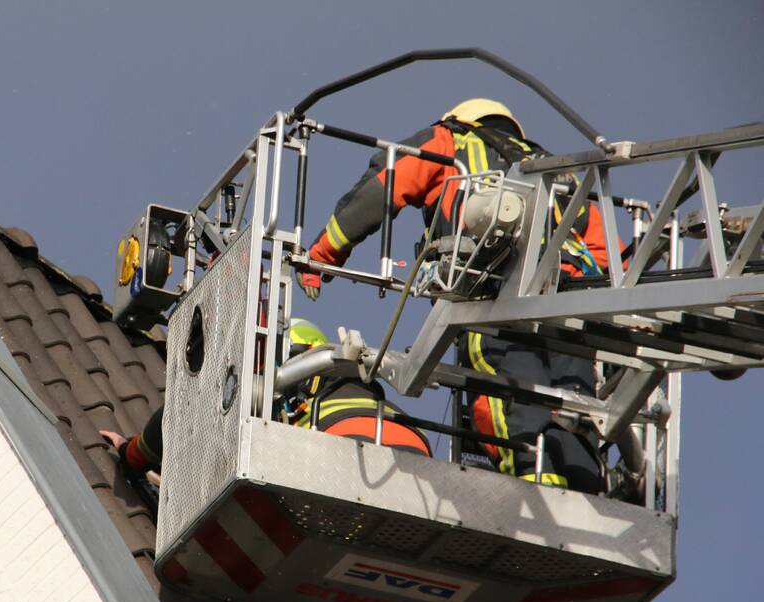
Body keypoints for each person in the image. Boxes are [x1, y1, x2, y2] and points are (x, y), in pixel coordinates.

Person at [298, 99, 615, 494]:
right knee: (576, 405)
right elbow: (604, 250)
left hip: (493, 292)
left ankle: (540, 489)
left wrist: (323, 254)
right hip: (571, 303)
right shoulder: (557, 171)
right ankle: (586, 494)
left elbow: (386, 183)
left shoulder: (453, 141)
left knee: (509, 397)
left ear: (460, 118)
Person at [101, 318, 430, 483]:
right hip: (418, 454)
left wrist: (131, 455)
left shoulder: (283, 387)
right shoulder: (352, 380)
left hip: (346, 454)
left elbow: (182, 413)